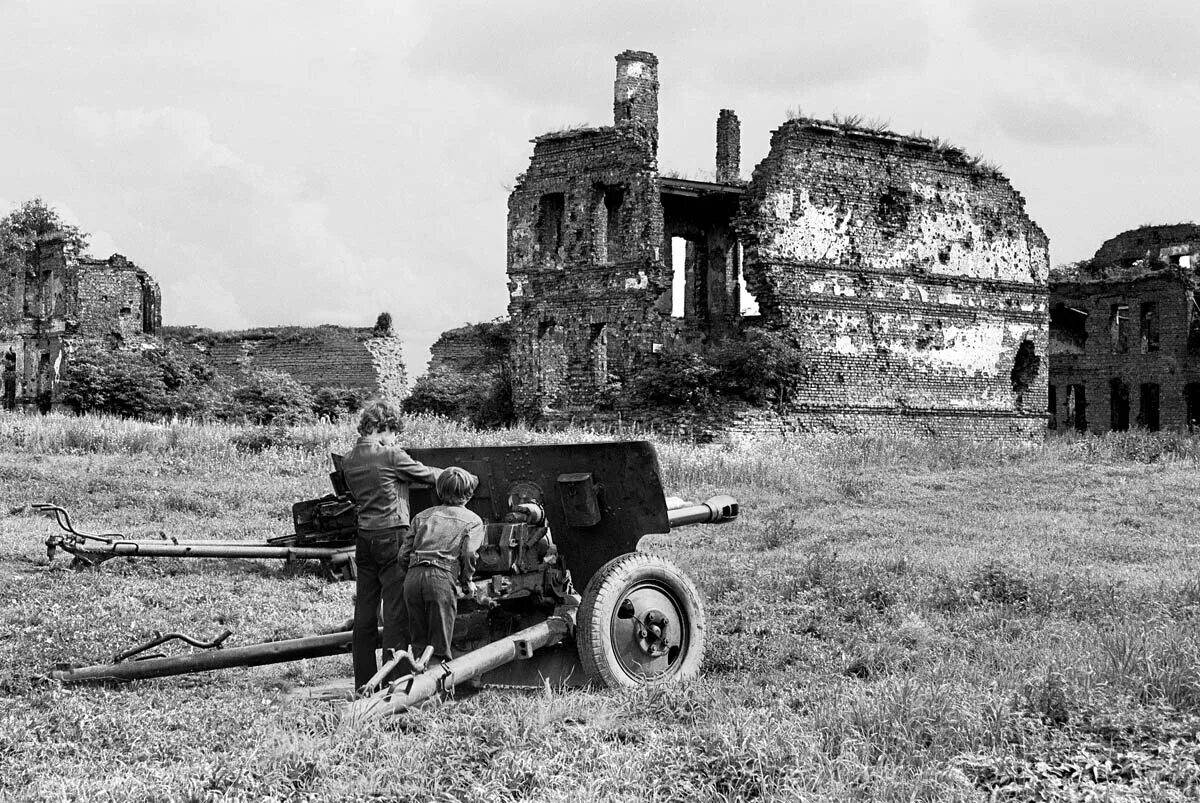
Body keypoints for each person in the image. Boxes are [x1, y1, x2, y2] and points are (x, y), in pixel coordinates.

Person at [340, 399, 441, 689]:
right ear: (380, 427)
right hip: (393, 536)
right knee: (396, 611)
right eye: (393, 432)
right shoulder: (391, 455)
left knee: (365, 611)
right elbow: (428, 475)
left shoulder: (348, 459)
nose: (395, 438)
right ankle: (394, 681)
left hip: (364, 539)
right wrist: (459, 476)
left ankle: (363, 678)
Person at [400, 466, 484, 664]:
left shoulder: (421, 516)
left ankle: (416, 683)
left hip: (412, 579)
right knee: (439, 645)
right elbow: (469, 553)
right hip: (440, 578)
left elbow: (403, 554)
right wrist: (466, 580)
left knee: (419, 641)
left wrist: (413, 572)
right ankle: (438, 689)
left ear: (438, 491)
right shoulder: (473, 521)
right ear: (470, 494)